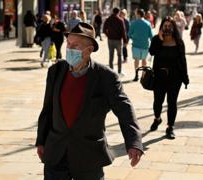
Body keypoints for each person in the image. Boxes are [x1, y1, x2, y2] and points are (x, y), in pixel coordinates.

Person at [35, 22, 143, 180]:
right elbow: (48, 109)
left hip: (89, 154)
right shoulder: (55, 71)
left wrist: (134, 142)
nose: (69, 49)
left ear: (89, 50)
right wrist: (41, 140)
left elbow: (124, 109)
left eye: (75, 46)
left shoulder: (106, 77)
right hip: (56, 150)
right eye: (68, 44)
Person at [148, 16, 189, 139]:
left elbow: (183, 60)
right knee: (157, 102)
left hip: (175, 78)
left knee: (172, 103)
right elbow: (152, 52)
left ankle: (170, 127)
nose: (167, 28)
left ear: (174, 28)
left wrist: (185, 78)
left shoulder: (178, 41)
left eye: (170, 26)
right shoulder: (156, 39)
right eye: (165, 26)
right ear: (161, 27)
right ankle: (157, 118)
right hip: (159, 77)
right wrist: (160, 40)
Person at [128, 9, 154, 81]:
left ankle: (136, 75)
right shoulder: (148, 23)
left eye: (136, 14)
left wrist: (134, 38)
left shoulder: (134, 23)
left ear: (138, 14)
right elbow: (151, 36)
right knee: (144, 60)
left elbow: (129, 34)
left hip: (136, 44)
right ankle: (144, 75)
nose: (135, 15)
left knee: (136, 60)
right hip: (145, 45)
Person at [103, 7, 128, 76]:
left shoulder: (108, 19)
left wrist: (108, 35)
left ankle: (111, 71)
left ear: (112, 11)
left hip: (110, 40)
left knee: (111, 55)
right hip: (118, 40)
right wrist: (125, 41)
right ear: (118, 12)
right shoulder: (120, 20)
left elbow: (104, 30)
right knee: (119, 56)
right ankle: (119, 71)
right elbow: (123, 31)